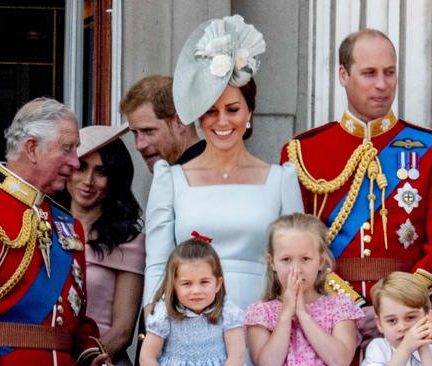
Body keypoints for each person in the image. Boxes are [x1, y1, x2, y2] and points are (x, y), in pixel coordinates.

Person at [143, 14, 303, 318]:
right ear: (200, 118)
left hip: (262, 323)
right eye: (211, 112)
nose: (222, 122)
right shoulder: (171, 179)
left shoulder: (281, 179)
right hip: (188, 323)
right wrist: (154, 321)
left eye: (232, 110)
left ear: (249, 112)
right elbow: (157, 263)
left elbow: (296, 261)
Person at [280, 28, 432, 344]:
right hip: (328, 318)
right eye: (369, 73)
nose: (382, 84)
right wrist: (347, 306)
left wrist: (398, 307)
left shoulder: (426, 148)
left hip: (410, 320)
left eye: (389, 73)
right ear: (343, 75)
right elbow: (296, 248)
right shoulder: (303, 152)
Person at [0, 97, 105, 366]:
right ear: (31, 148)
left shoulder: (68, 224)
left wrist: (89, 352)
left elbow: (74, 316)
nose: (75, 163)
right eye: (67, 149)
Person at [57, 124, 144, 366]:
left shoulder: (130, 243)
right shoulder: (44, 227)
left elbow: (123, 331)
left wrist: (83, 361)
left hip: (103, 360)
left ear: (114, 179)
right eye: (82, 167)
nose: (88, 181)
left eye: (101, 171)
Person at [246, 213, 365, 366]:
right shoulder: (261, 312)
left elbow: (340, 361)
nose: (296, 269)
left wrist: (303, 314)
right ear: (272, 263)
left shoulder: (340, 306)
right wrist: (286, 314)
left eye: (305, 259)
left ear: (321, 261)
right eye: (286, 259)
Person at [139, 235, 246, 366]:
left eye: (204, 282)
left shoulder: (228, 313)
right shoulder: (165, 315)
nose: (196, 290)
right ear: (173, 285)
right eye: (187, 283)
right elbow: (147, 358)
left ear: (218, 284)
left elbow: (237, 356)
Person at [120, 75, 205, 172]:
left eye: (148, 131)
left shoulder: (204, 178)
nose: (139, 145)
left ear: (180, 122)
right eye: (135, 133)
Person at [363, 271, 432, 366]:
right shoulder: (378, 348)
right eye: (392, 320)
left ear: (428, 317)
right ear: (380, 324)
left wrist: (424, 350)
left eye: (410, 317)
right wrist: (405, 349)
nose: (402, 327)